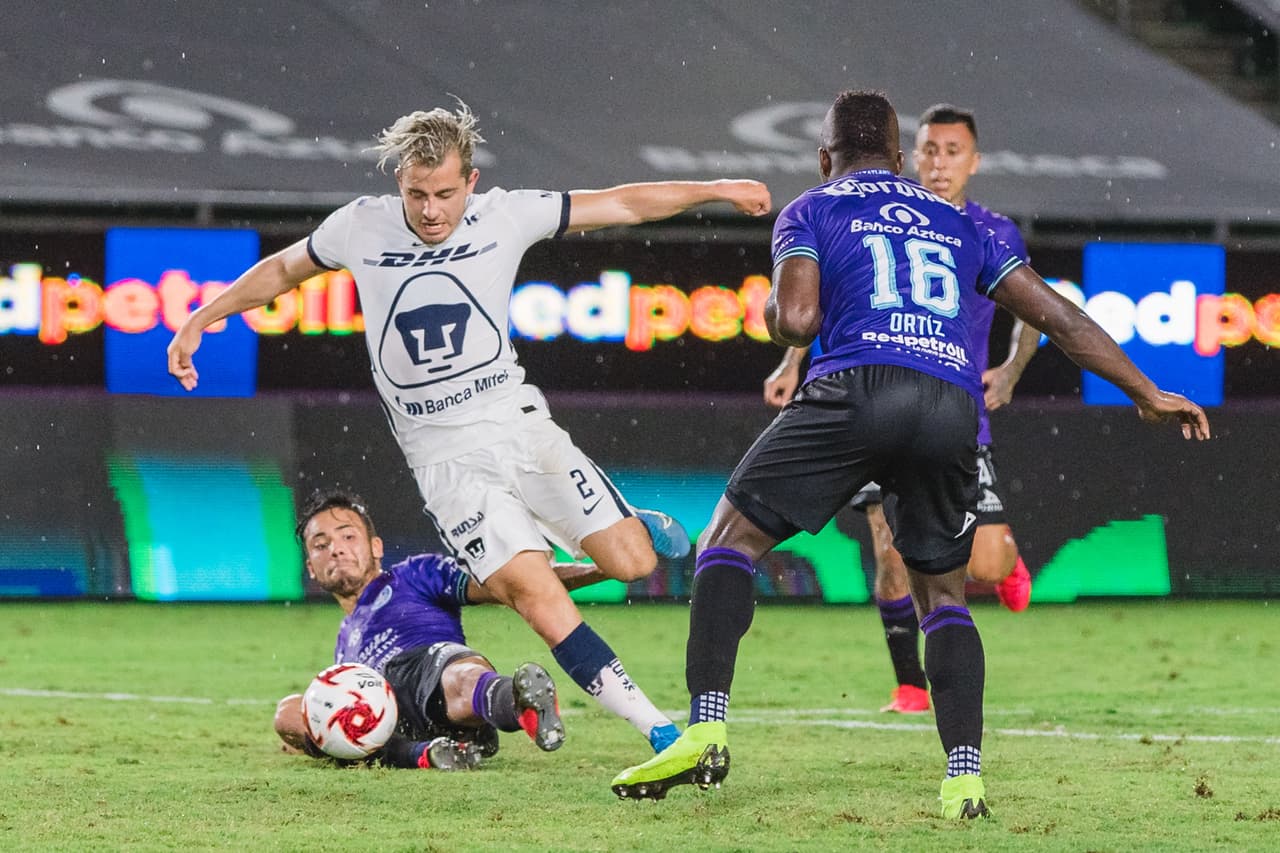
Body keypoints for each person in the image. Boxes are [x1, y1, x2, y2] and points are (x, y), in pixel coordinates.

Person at [611, 90, 1209, 818]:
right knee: (945, 596)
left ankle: (704, 727)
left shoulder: (814, 207)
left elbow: (796, 320)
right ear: (902, 158)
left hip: (856, 388)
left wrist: (774, 309)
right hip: (947, 404)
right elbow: (1056, 315)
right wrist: (1146, 390)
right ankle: (964, 777)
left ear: (824, 158)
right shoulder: (962, 220)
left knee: (727, 542)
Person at [169, 99, 770, 755]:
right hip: (446, 463)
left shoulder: (505, 215)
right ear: (398, 181)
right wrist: (204, 317)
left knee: (632, 562)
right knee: (534, 596)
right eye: (417, 194)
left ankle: (635, 527)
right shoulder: (360, 228)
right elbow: (283, 269)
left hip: (518, 426)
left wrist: (715, 189)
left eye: (445, 194)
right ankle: (660, 731)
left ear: (471, 182)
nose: (430, 210)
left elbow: (621, 203)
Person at [761, 103, 1040, 717]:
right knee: (889, 548)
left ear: (974, 161)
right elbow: (830, 293)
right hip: (871, 396)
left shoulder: (990, 231)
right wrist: (791, 364)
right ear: (910, 156)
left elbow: (1036, 313)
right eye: (930, 150)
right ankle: (910, 683)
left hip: (953, 407)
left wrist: (1013, 372)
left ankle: (1006, 565)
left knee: (983, 562)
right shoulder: (886, 217)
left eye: (952, 152)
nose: (939, 164)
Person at [274, 489, 599, 769]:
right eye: (320, 544)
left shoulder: (414, 574)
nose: (336, 549)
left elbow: (515, 582)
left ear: (376, 547)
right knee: (290, 709)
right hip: (390, 723)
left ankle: (518, 704)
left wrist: (601, 569)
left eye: (348, 536)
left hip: (435, 681)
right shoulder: (343, 644)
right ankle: (426, 754)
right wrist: (313, 730)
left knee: (453, 670)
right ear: (311, 569)